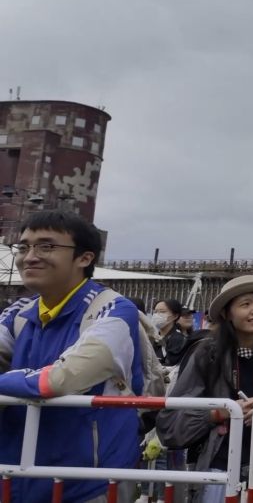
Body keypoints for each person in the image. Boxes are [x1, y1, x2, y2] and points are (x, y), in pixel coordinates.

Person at [0, 210, 145, 503]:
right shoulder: (19, 312)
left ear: (85, 258)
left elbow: (59, 380)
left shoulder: (113, 309)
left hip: (91, 484)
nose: (30, 257)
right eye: (24, 246)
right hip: (18, 478)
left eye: (46, 246)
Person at [156, 275, 253, 503]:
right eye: (246, 304)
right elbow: (170, 425)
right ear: (227, 313)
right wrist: (221, 412)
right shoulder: (206, 355)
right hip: (218, 472)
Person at [151, 298, 188, 366]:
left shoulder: (178, 339)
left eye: (162, 312)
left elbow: (170, 366)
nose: (157, 315)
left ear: (175, 316)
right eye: (155, 312)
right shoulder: (152, 337)